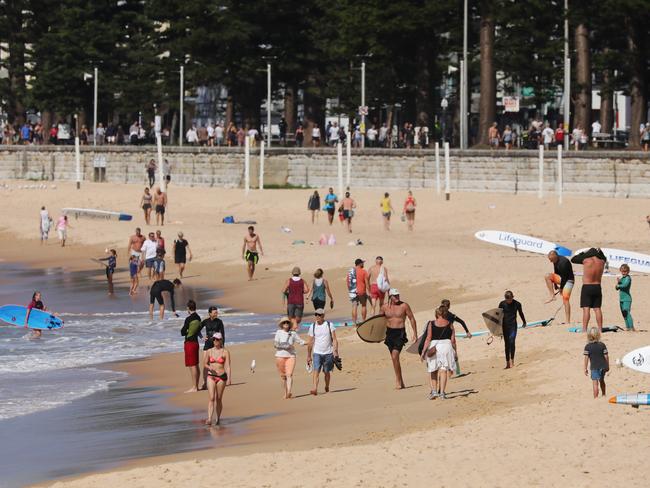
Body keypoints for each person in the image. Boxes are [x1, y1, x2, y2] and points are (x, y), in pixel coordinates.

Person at [381, 289, 417, 389]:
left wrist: (415, 333)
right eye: (395, 296)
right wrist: (377, 336)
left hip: (400, 333)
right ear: (390, 297)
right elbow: (379, 321)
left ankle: (398, 380)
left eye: (398, 295)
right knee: (394, 359)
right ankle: (401, 381)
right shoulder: (384, 307)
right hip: (389, 333)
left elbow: (412, 318)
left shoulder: (404, 306)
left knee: (394, 356)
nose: (397, 297)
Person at [420, 307, 457, 399]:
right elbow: (453, 341)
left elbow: (428, 338)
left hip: (435, 346)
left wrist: (423, 351)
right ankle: (442, 393)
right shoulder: (450, 324)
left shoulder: (431, 323)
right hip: (447, 346)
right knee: (444, 369)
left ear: (437, 314)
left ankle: (434, 392)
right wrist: (455, 352)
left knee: (433, 370)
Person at [571, 248, 606, 332]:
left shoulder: (586, 260)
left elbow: (573, 259)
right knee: (597, 309)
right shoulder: (602, 261)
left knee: (586, 309)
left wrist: (584, 252)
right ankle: (600, 329)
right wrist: (600, 252)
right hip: (597, 286)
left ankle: (584, 329)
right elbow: (604, 257)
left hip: (587, 286)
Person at [307, 308, 339, 395]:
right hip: (317, 352)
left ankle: (327, 386)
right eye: (316, 314)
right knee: (316, 371)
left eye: (320, 315)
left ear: (323, 316)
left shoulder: (329, 325)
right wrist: (309, 356)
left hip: (328, 353)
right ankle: (315, 388)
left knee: (326, 372)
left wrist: (335, 352)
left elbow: (335, 339)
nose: (317, 316)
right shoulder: (312, 326)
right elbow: (310, 342)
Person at [274, 317, 306, 399]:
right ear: (282, 324)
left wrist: (310, 342)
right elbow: (275, 344)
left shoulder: (293, 333)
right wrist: (286, 346)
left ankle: (289, 392)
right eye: (284, 323)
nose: (286, 324)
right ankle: (285, 392)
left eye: (287, 323)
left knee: (289, 374)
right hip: (280, 356)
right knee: (283, 377)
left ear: (289, 324)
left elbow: (300, 341)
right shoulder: (279, 332)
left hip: (291, 356)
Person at [203, 332, 231, 425]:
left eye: (217, 339)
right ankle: (209, 418)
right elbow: (204, 363)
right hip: (211, 376)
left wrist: (229, 378)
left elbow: (227, 366)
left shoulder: (225, 352)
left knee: (219, 398)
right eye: (214, 339)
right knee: (211, 398)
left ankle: (218, 418)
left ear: (221, 340)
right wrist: (209, 367)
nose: (215, 341)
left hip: (221, 377)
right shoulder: (209, 351)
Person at [544, 250, 575, 324]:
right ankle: (552, 296)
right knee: (547, 276)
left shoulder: (563, 262)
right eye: (549, 260)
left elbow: (565, 278)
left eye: (551, 260)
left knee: (565, 299)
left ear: (555, 256)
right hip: (562, 279)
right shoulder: (555, 260)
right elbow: (556, 271)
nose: (550, 261)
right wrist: (554, 283)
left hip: (569, 280)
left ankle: (567, 321)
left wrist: (561, 288)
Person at [498, 291, 527, 369]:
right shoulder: (502, 304)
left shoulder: (517, 304)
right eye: (507, 300)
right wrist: (497, 328)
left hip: (513, 326)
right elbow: (498, 315)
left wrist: (524, 321)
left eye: (510, 299)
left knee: (512, 342)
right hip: (504, 326)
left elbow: (521, 313)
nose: (509, 301)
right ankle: (507, 363)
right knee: (507, 345)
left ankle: (512, 361)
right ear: (505, 298)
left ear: (512, 297)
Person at [181, 300, 202, 393]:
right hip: (196, 343)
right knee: (196, 365)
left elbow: (182, 332)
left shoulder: (188, 319)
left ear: (188, 308)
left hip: (189, 343)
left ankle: (194, 387)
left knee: (192, 365)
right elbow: (198, 330)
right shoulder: (198, 317)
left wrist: (187, 331)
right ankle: (196, 386)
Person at [583, 327, 609, 398]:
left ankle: (596, 397)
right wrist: (607, 365)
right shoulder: (602, 345)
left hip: (594, 367)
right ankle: (603, 394)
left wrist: (585, 368)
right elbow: (606, 356)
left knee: (595, 384)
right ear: (598, 335)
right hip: (603, 366)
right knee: (602, 380)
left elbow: (586, 358)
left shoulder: (587, 346)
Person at [348, 258, 370, 324]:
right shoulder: (363, 271)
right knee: (363, 305)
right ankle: (363, 321)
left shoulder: (350, 271)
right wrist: (369, 291)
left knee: (354, 306)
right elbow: (366, 283)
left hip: (353, 291)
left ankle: (354, 322)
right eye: (362, 263)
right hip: (361, 291)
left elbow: (348, 282)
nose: (363, 264)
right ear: (360, 264)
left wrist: (350, 290)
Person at [615, 264, 634, 330]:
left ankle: (631, 327)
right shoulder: (622, 278)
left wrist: (619, 285)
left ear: (628, 271)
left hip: (627, 299)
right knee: (624, 314)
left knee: (627, 312)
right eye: (622, 271)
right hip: (621, 299)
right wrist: (618, 283)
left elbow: (625, 285)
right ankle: (628, 327)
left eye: (625, 271)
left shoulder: (628, 278)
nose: (624, 273)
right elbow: (617, 288)